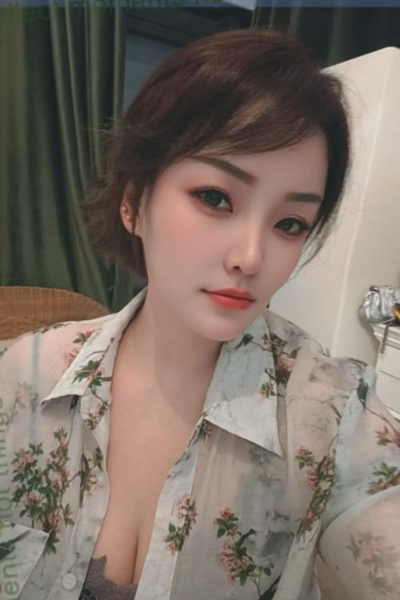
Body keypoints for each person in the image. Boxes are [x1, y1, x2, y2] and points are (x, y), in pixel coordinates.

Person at [1, 26, 399, 600]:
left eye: (290, 223)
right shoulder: (25, 375)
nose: (251, 258)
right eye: (216, 198)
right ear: (134, 202)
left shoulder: (334, 416)